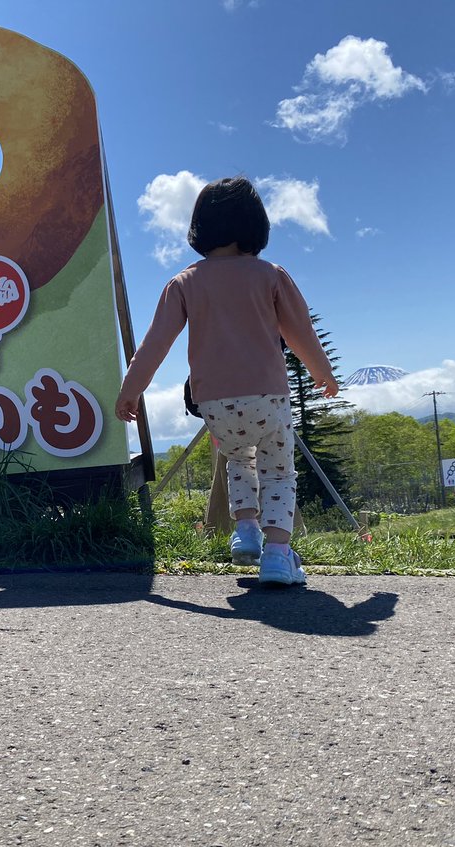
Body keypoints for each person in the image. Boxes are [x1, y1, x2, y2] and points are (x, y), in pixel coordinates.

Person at [115, 177, 338, 585]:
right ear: (257, 225)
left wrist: (131, 390)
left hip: (216, 404)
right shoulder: (271, 275)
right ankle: (277, 554)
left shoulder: (184, 283)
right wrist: (321, 372)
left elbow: (154, 345)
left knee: (239, 461)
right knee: (277, 471)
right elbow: (300, 332)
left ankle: (245, 531)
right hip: (269, 396)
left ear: (200, 227)